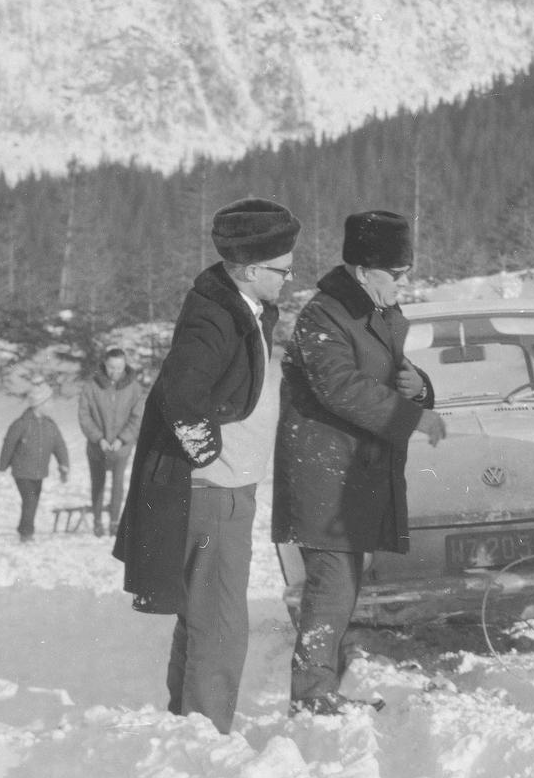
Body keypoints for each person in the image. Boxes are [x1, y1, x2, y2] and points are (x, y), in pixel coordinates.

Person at [115, 196, 299, 735]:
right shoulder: (214, 318)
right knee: (220, 617)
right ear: (247, 270)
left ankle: (189, 723)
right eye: (282, 269)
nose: (289, 278)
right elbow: (181, 394)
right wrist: (208, 453)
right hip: (215, 490)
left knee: (203, 610)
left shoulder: (242, 308)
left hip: (225, 486)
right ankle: (209, 730)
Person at [273, 209, 446, 715]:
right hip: (324, 473)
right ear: (363, 271)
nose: (402, 284)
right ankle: (311, 696)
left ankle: (322, 685)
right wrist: (411, 418)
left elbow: (389, 375)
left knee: (342, 584)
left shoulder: (377, 313)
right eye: (395, 275)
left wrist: (420, 389)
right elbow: (341, 387)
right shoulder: (322, 316)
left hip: (354, 474)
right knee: (332, 585)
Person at [77, 346, 145, 536]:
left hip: (120, 449)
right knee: (97, 483)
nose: (115, 372)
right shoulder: (91, 387)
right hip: (97, 448)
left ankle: (115, 522)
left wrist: (123, 439)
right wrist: (98, 438)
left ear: (125, 365)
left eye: (119, 367)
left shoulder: (134, 388)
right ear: (104, 365)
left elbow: (137, 417)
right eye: (111, 367)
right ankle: (98, 521)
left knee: (118, 484)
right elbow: (84, 415)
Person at [0, 383, 70, 541]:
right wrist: (2, 467)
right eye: (49, 401)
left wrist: (63, 465)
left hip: (39, 472)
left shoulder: (50, 425)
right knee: (30, 500)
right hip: (22, 471)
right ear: (40, 404)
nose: (52, 405)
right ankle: (26, 533)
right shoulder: (21, 424)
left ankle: (25, 529)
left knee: (33, 501)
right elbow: (8, 445)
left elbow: (59, 445)